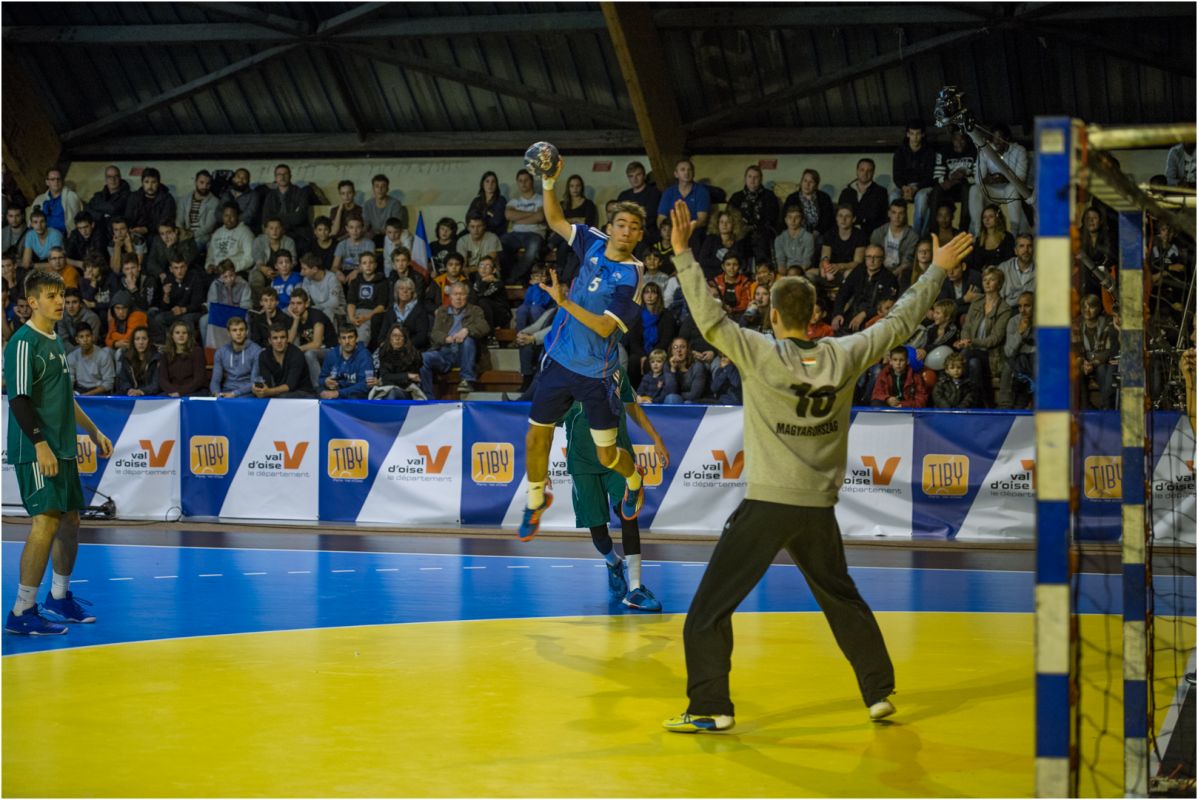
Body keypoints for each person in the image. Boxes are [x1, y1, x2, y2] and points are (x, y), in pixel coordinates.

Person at [660, 198, 974, 733]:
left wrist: (684, 255)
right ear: (814, 316)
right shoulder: (844, 353)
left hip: (769, 504)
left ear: (773, 316)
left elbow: (709, 319)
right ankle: (878, 692)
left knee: (708, 611)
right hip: (818, 508)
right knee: (841, 597)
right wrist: (937, 270)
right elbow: (901, 321)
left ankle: (710, 707)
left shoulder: (759, 352)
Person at [518, 155, 646, 541]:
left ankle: (634, 480)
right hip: (560, 360)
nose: (626, 231)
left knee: (607, 455)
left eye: (634, 227)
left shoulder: (632, 275)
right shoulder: (592, 240)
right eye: (621, 224)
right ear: (610, 227)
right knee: (536, 435)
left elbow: (606, 326)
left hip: (596, 374)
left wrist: (565, 303)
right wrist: (548, 181)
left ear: (639, 235)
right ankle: (535, 499)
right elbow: (555, 220)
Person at [4, 269, 112, 635]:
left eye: (61, 294)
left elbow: (66, 397)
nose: (59, 301)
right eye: (51, 295)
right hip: (37, 449)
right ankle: (22, 611)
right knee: (46, 521)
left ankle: (59, 597)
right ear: (32, 302)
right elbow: (18, 399)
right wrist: (39, 444)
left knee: (70, 522)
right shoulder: (23, 342)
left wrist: (93, 431)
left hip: (63, 448)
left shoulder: (55, 341)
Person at [561, 369, 669, 611]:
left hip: (618, 458)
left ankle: (636, 588)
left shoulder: (617, 373)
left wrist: (656, 438)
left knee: (628, 513)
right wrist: (538, 472)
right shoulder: (564, 376)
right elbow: (545, 425)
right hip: (583, 465)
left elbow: (632, 407)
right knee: (598, 532)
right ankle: (613, 562)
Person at [419, 282, 489, 397]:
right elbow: (435, 333)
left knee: (468, 340)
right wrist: (446, 338)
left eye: (462, 294)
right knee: (423, 358)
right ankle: (427, 397)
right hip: (444, 352)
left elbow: (484, 326)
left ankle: (467, 380)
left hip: (465, 353)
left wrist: (467, 330)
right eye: (455, 294)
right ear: (450, 297)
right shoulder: (442, 311)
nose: (458, 297)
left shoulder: (475, 310)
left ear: (467, 296)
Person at [286, 288, 334, 390]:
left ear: (306, 304)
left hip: (330, 350)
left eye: (299, 303)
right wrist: (296, 320)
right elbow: (289, 342)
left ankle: (319, 388)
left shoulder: (316, 316)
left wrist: (296, 350)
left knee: (309, 354)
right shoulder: (294, 317)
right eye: (292, 303)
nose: (295, 307)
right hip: (314, 350)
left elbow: (317, 344)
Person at [253, 322, 313, 398]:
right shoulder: (264, 355)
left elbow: (290, 386)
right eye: (275, 338)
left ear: (287, 339)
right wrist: (258, 390)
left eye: (282, 337)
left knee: (281, 397)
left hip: (304, 392)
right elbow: (267, 382)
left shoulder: (296, 354)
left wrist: (268, 392)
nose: (279, 341)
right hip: (279, 392)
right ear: (270, 341)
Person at [210, 316, 262, 398]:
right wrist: (216, 394)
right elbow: (215, 381)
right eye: (234, 330)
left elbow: (255, 382)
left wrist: (234, 394)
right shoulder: (220, 352)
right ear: (229, 333)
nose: (238, 333)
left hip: (247, 393)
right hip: (226, 392)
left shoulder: (257, 351)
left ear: (247, 332)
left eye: (241, 329)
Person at [370, 323, 424, 400]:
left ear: (405, 339)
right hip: (387, 389)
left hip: (407, 391)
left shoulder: (413, 354)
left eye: (401, 336)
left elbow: (410, 382)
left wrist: (388, 379)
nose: (397, 339)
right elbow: (385, 376)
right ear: (390, 338)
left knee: (392, 393)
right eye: (394, 335)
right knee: (387, 393)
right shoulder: (384, 352)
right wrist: (407, 376)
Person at [318, 324, 372, 400]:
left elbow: (365, 385)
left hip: (355, 398)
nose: (347, 342)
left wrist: (339, 393)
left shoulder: (365, 356)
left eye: (350, 337)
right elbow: (321, 379)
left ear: (356, 339)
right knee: (319, 392)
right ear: (339, 340)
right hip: (334, 394)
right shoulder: (331, 354)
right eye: (343, 338)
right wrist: (325, 381)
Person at [158, 320, 208, 397]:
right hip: (172, 391)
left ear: (189, 336)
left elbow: (199, 380)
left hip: (194, 391)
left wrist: (180, 392)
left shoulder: (197, 351)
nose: (181, 335)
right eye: (177, 333)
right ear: (172, 336)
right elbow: (163, 380)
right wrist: (173, 391)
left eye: (184, 333)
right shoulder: (165, 354)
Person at [65, 323, 115, 395]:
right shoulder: (72, 356)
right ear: (77, 340)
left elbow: (109, 384)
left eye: (88, 336)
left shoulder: (104, 356)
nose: (85, 340)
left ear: (92, 337)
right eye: (81, 337)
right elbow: (70, 379)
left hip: (99, 392)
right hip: (80, 390)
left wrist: (87, 395)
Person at [114, 326, 160, 396]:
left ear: (149, 341)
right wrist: (129, 390)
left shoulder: (156, 358)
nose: (141, 342)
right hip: (131, 394)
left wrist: (141, 391)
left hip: (150, 396)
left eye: (144, 339)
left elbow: (156, 384)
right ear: (133, 342)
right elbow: (122, 380)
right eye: (137, 339)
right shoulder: (126, 357)